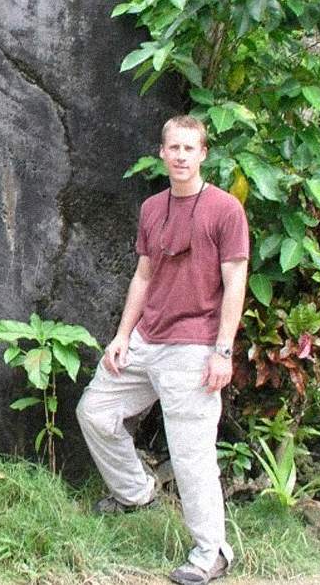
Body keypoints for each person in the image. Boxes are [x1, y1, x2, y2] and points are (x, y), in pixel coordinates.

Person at [76, 115, 249, 585]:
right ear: (162, 153)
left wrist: (223, 351)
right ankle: (134, 492)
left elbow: (235, 283)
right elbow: (144, 276)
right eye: (173, 147)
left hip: (194, 346)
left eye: (189, 148)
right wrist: (121, 335)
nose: (180, 156)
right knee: (95, 411)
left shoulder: (225, 209)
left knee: (192, 454)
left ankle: (212, 553)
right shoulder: (152, 207)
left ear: (203, 154)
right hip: (145, 340)